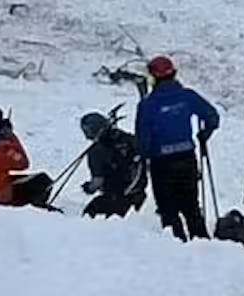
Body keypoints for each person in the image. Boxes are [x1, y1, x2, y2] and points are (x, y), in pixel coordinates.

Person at [135, 55, 219, 241]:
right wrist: (205, 134)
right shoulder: (187, 96)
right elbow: (212, 116)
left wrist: (144, 155)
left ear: (153, 78)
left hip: (161, 164)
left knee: (168, 210)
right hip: (187, 159)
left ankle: (177, 250)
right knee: (192, 208)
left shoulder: (147, 105)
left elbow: (143, 141)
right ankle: (204, 247)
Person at [79, 111, 147, 219]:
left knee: (88, 215)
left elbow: (98, 181)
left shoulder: (96, 151)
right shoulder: (129, 139)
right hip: (139, 195)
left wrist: (89, 188)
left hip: (115, 198)